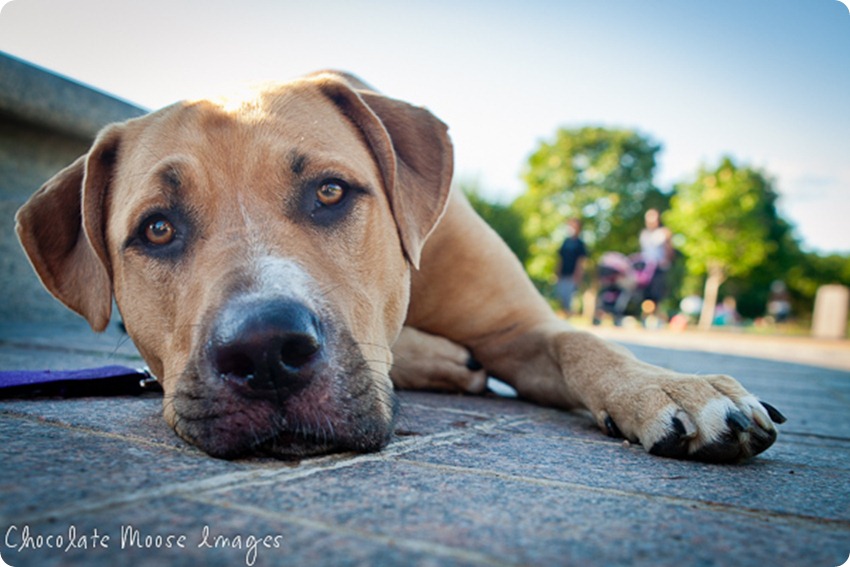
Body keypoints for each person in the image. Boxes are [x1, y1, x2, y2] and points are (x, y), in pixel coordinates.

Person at [639, 208, 674, 310]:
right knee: (646, 293)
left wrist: (666, 261)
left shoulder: (664, 232)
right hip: (646, 268)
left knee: (657, 293)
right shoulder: (644, 234)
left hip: (659, 267)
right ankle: (647, 315)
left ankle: (656, 315)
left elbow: (669, 250)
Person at [555, 218, 587, 316]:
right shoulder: (565, 242)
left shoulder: (580, 244)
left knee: (570, 296)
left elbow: (581, 261)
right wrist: (557, 271)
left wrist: (578, 274)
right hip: (563, 272)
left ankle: (569, 315)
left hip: (572, 274)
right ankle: (565, 313)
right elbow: (560, 258)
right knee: (561, 294)